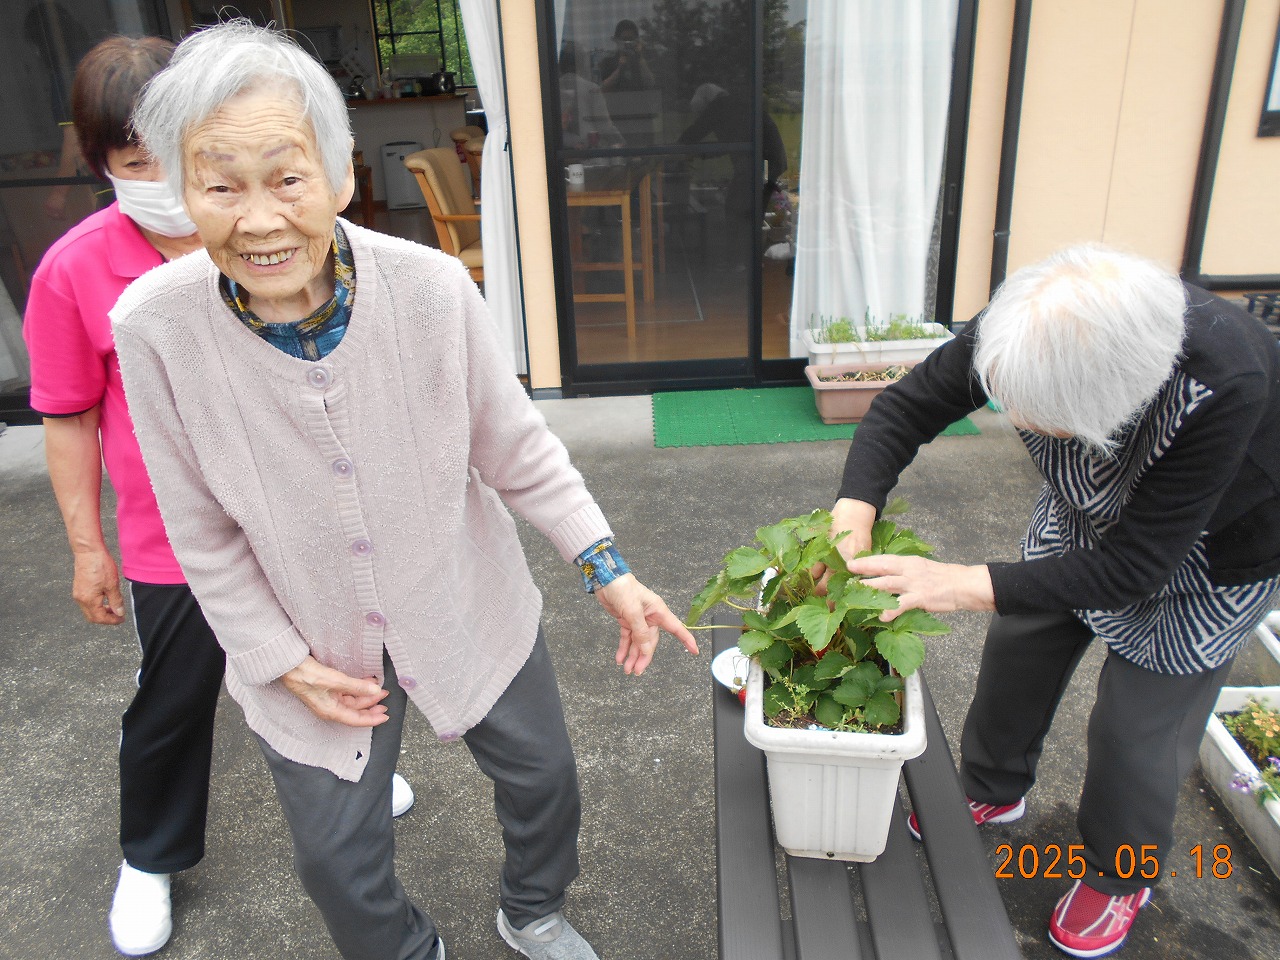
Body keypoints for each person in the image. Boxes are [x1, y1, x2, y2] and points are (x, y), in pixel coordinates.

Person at [115, 21, 699, 960]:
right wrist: (278, 660)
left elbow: (516, 446)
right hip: (309, 640)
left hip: (461, 596)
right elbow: (199, 529)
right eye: (221, 186)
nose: (258, 221)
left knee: (546, 779)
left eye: (287, 179)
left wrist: (607, 568)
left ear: (340, 175)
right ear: (183, 192)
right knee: (335, 863)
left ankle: (532, 909)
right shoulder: (152, 327)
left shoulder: (431, 289)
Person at [21, 34, 418, 958]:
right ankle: (151, 855)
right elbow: (68, 417)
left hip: (301, 525)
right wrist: (87, 548)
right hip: (174, 541)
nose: (163, 180)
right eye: (135, 165)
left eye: (176, 154)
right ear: (100, 165)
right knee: (173, 698)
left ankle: (354, 781)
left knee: (338, 667)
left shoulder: (278, 238)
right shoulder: (76, 270)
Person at [826, 244, 1280, 958]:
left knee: (1138, 729)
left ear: (1116, 408)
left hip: (1212, 549)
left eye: (1038, 415)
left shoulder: (1224, 384)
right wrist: (854, 508)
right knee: (1019, 647)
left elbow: (1134, 567)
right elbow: (906, 407)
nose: (1016, 419)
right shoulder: (1032, 321)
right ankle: (993, 784)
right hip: (1082, 514)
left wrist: (960, 583)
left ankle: (1120, 872)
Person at [597, 19, 655, 93]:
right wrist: (620, 69)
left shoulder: (646, 59)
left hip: (642, 100)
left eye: (631, 39)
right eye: (624, 39)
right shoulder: (608, 62)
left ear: (637, 41)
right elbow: (602, 89)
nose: (627, 43)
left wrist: (640, 59)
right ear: (617, 41)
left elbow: (651, 84)